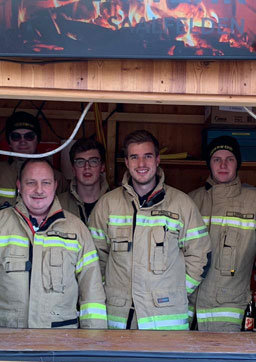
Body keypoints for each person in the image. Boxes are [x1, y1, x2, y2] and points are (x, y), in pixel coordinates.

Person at [0, 159, 106, 328]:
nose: (39, 190)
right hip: (3, 337)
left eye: (46, 183)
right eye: (31, 183)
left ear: (55, 186)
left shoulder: (77, 230)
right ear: (19, 186)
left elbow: (92, 292)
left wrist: (94, 338)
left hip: (59, 338)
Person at [88, 130, 211, 330]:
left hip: (166, 319)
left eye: (147, 156)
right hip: (119, 318)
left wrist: (177, 291)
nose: (141, 164)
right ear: (126, 162)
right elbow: (94, 257)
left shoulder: (182, 204)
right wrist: (108, 289)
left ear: (157, 159)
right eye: (134, 157)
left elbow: (201, 255)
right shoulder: (107, 205)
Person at [188, 136, 256, 331]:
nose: (223, 165)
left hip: (226, 311)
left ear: (237, 163)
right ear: (209, 164)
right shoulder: (190, 201)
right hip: (185, 307)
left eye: (229, 159)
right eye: (216, 159)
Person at [0, 111, 66, 212]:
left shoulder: (56, 177)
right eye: (16, 136)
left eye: (29, 136)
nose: (22, 141)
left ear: (37, 140)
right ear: (9, 141)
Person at [57, 137, 109, 224]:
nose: (87, 167)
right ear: (73, 168)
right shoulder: (58, 204)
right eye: (80, 162)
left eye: (93, 161)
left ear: (102, 167)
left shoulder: (116, 201)